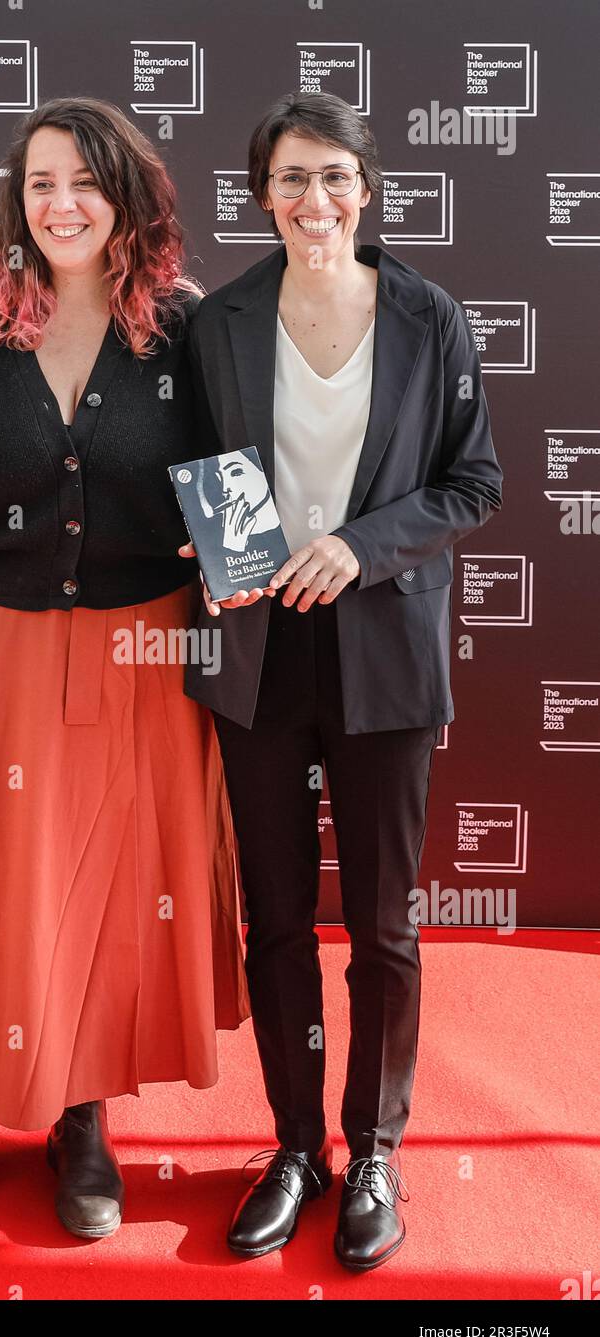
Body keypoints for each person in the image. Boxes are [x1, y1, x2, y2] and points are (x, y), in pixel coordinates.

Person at [0, 96, 250, 1252]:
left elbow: (236, 500)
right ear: (15, 201)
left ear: (126, 193)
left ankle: (78, 1113)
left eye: (82, 181)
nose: (60, 204)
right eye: (38, 184)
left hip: (140, 653)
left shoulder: (187, 328)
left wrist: (230, 561)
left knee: (103, 889)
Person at [179, 91, 503, 1270]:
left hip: (383, 655)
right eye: (288, 180)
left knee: (380, 924)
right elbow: (194, 466)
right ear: (261, 195)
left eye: (332, 178)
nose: (311, 201)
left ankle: (371, 1149)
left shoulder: (430, 318)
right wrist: (216, 546)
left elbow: (471, 484)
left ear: (365, 189)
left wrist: (358, 545)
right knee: (273, 921)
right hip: (256, 655)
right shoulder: (216, 323)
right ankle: (290, 1145)